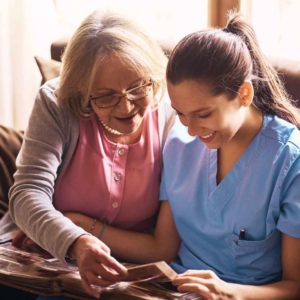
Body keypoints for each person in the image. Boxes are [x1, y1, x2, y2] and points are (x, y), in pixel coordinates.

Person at [80, 12, 300, 299]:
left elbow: (295, 286)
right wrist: (75, 225)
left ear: (244, 94)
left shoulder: (289, 161)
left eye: (203, 114)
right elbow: (162, 248)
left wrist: (229, 292)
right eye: (181, 114)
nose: (192, 130)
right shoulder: (178, 144)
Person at [7, 10, 176, 298]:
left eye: (137, 87)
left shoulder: (173, 114)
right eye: (106, 96)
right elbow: (26, 194)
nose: (126, 108)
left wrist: (81, 224)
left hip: (125, 274)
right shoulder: (56, 102)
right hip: (36, 263)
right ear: (82, 91)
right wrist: (75, 241)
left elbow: (166, 242)